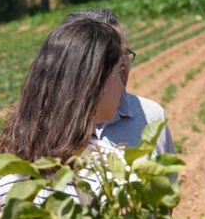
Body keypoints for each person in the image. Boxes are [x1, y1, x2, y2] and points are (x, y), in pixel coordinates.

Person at [0, 18, 126, 219]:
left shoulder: (10, 165)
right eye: (118, 72)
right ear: (96, 83)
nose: (122, 85)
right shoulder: (110, 169)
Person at [61, 9, 175, 156]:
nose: (122, 63)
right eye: (110, 55)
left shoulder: (151, 116)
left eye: (125, 53)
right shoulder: (38, 128)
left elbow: (166, 178)